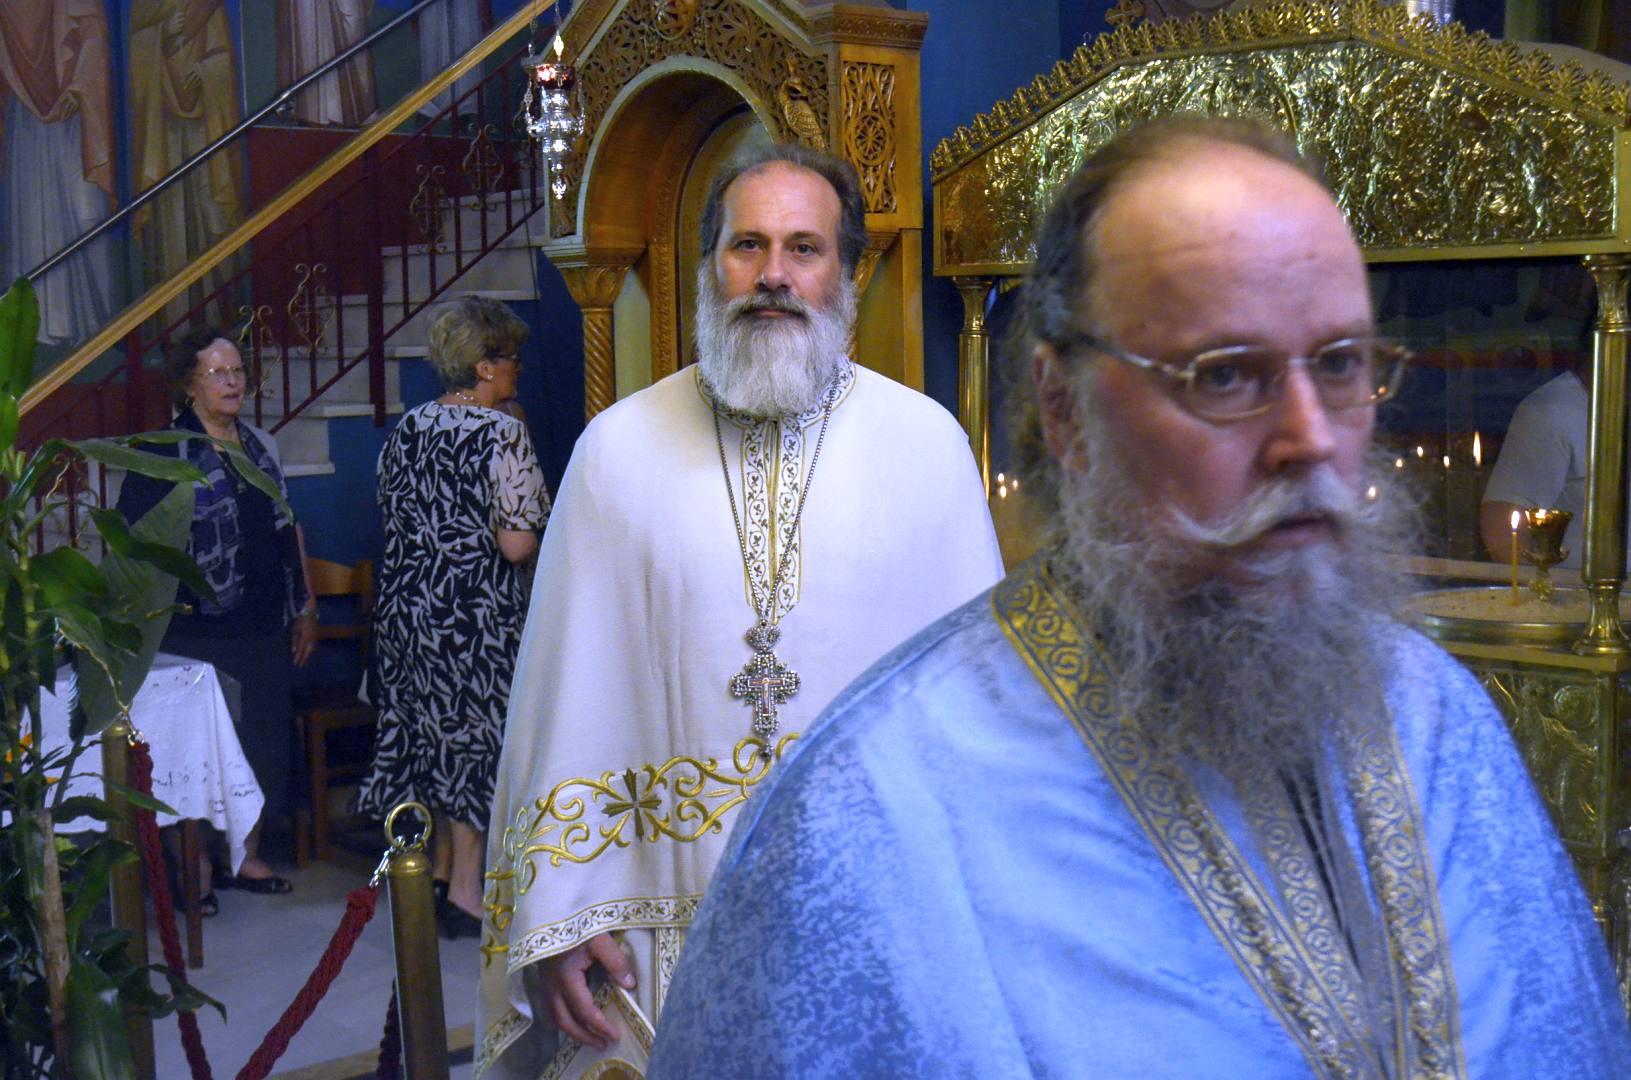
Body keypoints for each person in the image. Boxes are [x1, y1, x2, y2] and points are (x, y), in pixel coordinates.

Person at [648, 118, 1631, 1077]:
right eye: (1224, 375)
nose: (1308, 440)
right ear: (1064, 408)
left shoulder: (1441, 722)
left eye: (1339, 364)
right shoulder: (862, 820)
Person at [477, 143, 1004, 1079]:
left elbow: (980, 724)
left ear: (849, 271)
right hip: (654, 935)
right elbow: (565, 703)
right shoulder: (614, 454)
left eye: (804, 248)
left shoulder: (926, 449)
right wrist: (558, 914)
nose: (772, 275)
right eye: (746, 245)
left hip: (879, 925)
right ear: (708, 265)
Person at [356, 296, 550, 941]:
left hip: (406, 613)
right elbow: (516, 544)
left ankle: (438, 875)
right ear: (484, 365)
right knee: (475, 744)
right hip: (474, 617)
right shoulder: (503, 433)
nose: (518, 368)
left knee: (431, 742)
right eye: (511, 358)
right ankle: (467, 890)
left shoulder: (407, 428)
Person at [118, 326, 317, 907]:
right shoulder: (164, 451)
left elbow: (287, 526)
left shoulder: (260, 445)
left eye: (237, 371)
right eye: (217, 373)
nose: (232, 383)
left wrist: (304, 605)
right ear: (189, 384)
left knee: (260, 742)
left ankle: (246, 856)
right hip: (196, 627)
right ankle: (197, 866)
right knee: (197, 751)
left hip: (262, 621)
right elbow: (137, 541)